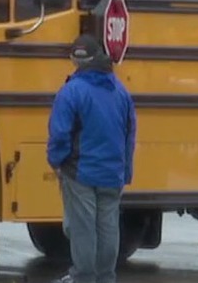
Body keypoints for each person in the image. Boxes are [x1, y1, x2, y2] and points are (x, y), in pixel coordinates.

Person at [47, 34, 137, 283]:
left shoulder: (71, 91)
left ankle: (83, 277)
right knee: (108, 227)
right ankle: (106, 277)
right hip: (112, 173)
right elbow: (129, 133)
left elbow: (60, 133)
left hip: (80, 172)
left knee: (83, 227)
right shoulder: (120, 91)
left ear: (73, 60)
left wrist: (56, 161)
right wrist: (126, 171)